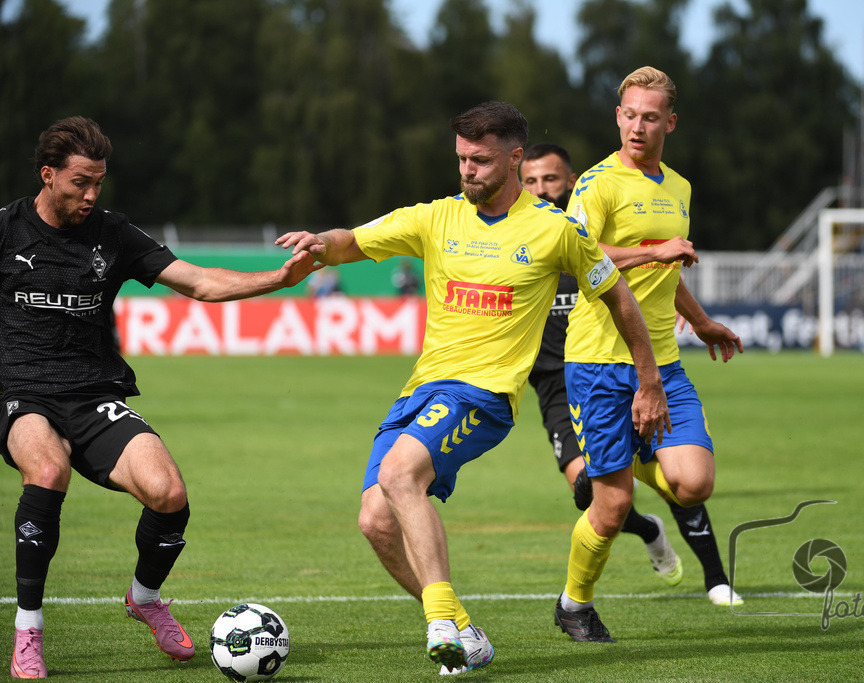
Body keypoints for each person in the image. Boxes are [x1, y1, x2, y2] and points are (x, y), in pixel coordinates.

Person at [276, 101, 670, 674]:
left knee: (397, 475)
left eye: (481, 161)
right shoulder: (436, 217)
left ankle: (438, 621)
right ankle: (464, 629)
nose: (467, 171)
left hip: (485, 395)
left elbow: (619, 298)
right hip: (422, 390)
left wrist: (649, 377)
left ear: (514, 159)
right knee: (375, 520)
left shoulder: (557, 231)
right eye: (461, 158)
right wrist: (318, 244)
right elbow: (352, 242)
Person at [0, 116, 321, 678]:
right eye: (80, 182)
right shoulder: (6, 230)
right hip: (19, 391)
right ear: (47, 174)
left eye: (99, 182)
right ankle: (28, 630)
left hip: (93, 392)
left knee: (169, 492)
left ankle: (144, 598)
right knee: (48, 470)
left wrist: (278, 279)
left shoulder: (113, 233)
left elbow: (197, 282)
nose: (91, 195)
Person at [554, 67, 744, 643]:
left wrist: (702, 319)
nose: (638, 126)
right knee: (611, 511)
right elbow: (574, 254)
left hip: (663, 361)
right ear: (618, 117)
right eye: (630, 115)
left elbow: (669, 269)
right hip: (597, 362)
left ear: (670, 122)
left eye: (650, 117)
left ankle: (636, 455)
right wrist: (653, 249)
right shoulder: (597, 183)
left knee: (694, 482)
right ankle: (574, 605)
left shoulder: (680, 188)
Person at [520, 142, 742, 606]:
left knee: (685, 477)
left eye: (550, 179)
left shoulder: (588, 221)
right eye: (531, 181)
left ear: (570, 181)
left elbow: (656, 271)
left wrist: (698, 319)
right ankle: (638, 542)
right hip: (559, 382)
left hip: (636, 359)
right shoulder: (519, 241)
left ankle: (716, 576)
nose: (541, 189)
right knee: (602, 499)